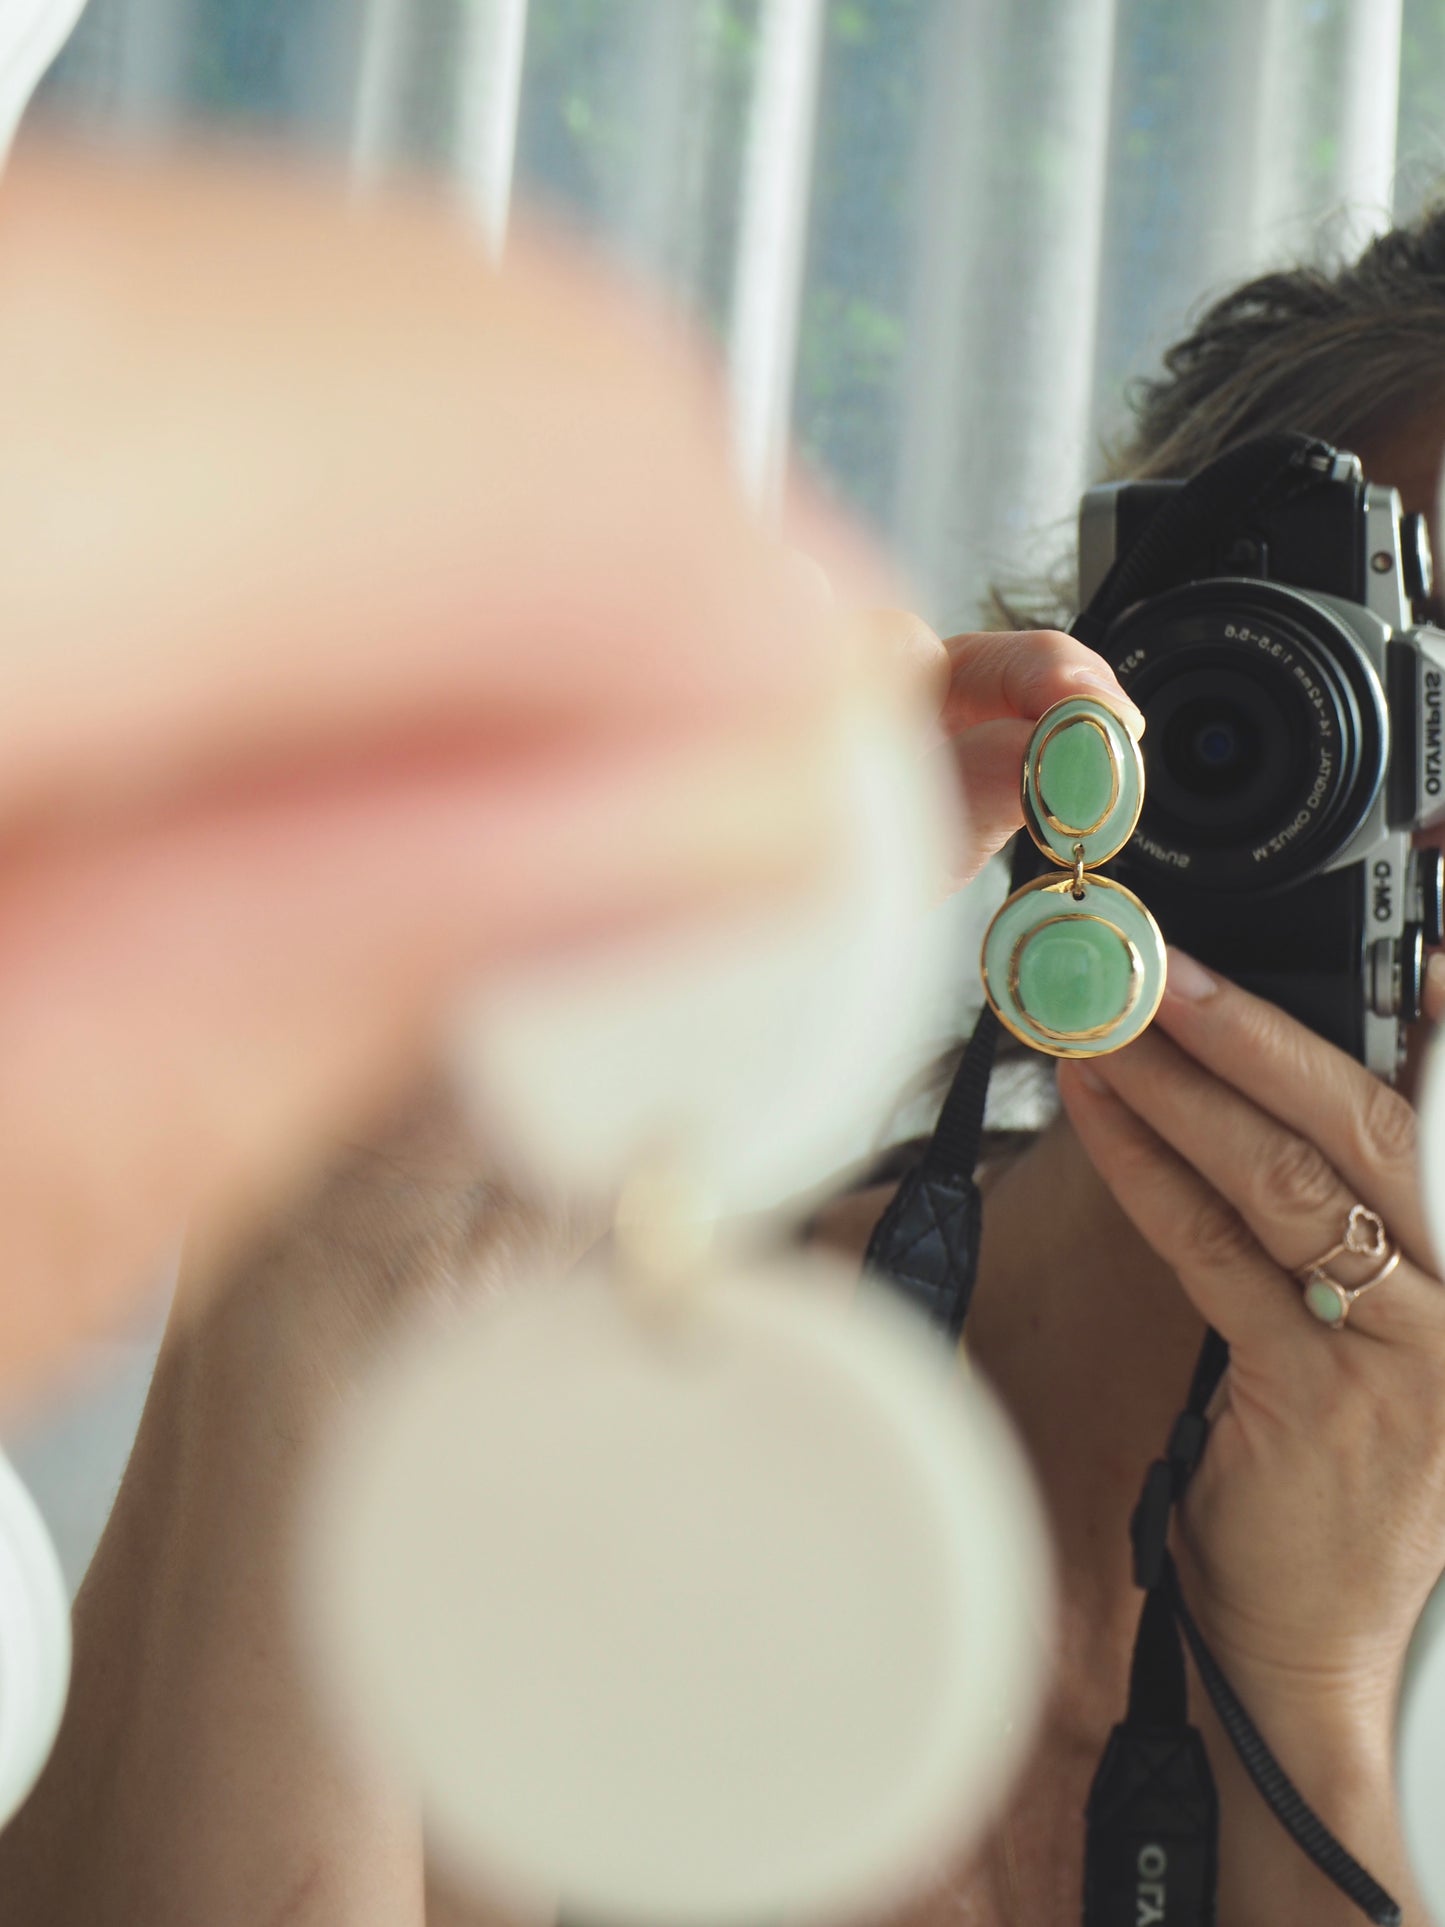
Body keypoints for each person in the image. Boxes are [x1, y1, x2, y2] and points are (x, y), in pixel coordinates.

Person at [12, 155, 1445, 1927]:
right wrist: (363, 1231)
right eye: (1397, 702)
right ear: (1125, 659)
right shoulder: (613, 1372)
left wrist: (1305, 1686)